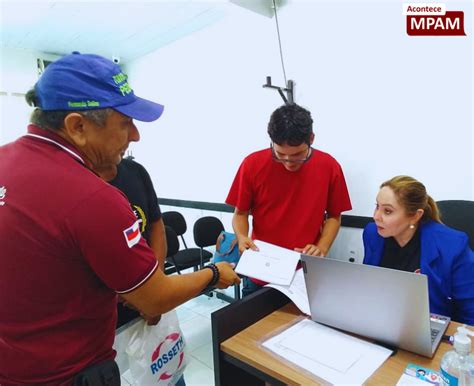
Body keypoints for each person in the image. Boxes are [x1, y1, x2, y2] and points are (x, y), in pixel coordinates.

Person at [0, 52, 240, 385]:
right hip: (70, 373)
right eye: (125, 122)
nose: (136, 135)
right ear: (78, 126)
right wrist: (214, 273)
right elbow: (154, 297)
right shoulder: (91, 196)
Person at [226, 103, 352, 296]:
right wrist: (242, 237)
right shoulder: (252, 164)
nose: (288, 162)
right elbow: (240, 214)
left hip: (304, 271)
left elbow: (334, 216)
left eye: (297, 155)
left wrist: (322, 247)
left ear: (311, 139)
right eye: (280, 154)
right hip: (261, 270)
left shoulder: (329, 166)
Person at [363, 175, 474, 325]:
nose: (376, 216)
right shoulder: (373, 234)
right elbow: (370, 287)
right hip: (384, 320)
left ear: (415, 216)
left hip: (431, 326)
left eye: (387, 211)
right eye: (377, 206)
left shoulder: (452, 245)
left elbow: (470, 311)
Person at [95, 157, 167, 328]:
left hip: (146, 298)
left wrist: (155, 286)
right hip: (103, 314)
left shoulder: (135, 171)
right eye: (124, 127)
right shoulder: (73, 184)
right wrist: (134, 295)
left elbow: (156, 226)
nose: (134, 137)